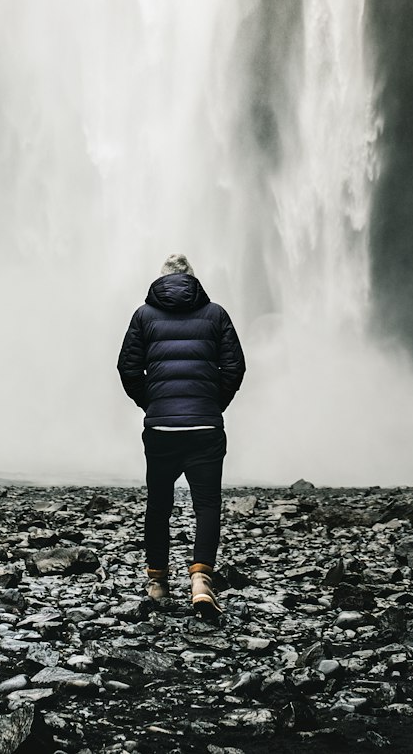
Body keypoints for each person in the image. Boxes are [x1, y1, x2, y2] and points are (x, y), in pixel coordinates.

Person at [116, 254, 246, 620]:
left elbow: (127, 367)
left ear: (161, 280)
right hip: (205, 426)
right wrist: (213, 403)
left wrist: (151, 403)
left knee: (158, 505)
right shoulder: (216, 313)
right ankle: (201, 580)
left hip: (161, 429)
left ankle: (157, 582)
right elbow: (235, 365)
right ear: (193, 280)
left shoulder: (144, 315)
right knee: (206, 504)